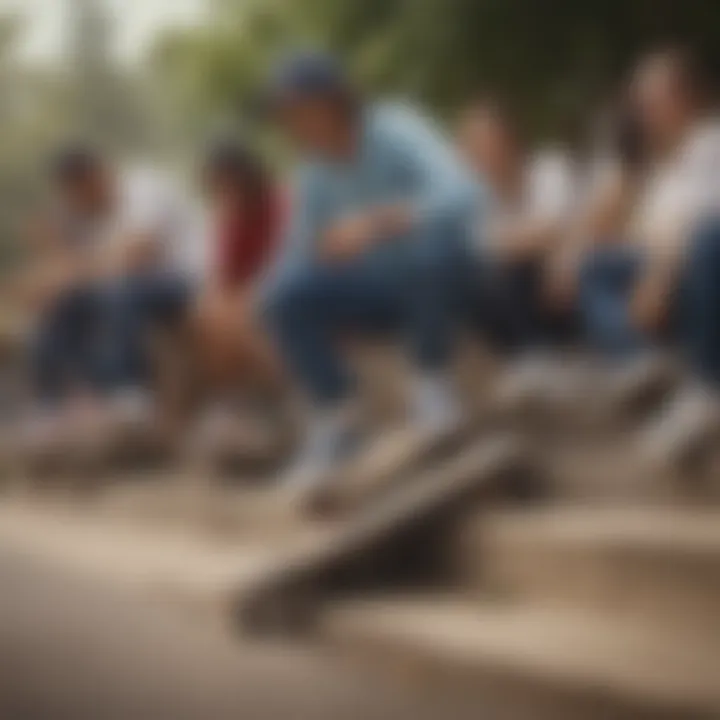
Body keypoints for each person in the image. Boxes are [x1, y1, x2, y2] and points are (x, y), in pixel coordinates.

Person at [259, 51, 477, 498]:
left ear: (334, 100)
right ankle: (336, 417)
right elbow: (298, 248)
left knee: (430, 250)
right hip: (382, 293)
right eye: (286, 114)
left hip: (447, 278)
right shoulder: (314, 168)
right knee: (284, 294)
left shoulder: (395, 128)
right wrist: (265, 298)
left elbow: (464, 194)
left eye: (301, 109)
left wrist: (380, 222)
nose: (294, 123)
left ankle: (433, 390)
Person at [577, 48, 720, 465]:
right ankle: (647, 365)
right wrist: (625, 165)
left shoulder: (713, 144)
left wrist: (657, 275)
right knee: (595, 266)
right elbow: (608, 232)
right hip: (675, 273)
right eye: (638, 102)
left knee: (708, 240)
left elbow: (701, 223)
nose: (642, 111)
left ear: (684, 99)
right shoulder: (660, 164)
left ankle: (705, 388)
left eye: (650, 100)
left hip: (701, 265)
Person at [42, 146, 206, 450]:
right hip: (126, 284)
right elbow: (69, 272)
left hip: (182, 279)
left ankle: (128, 394)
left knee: (120, 293)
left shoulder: (145, 189)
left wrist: (78, 269)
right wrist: (64, 260)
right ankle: (62, 398)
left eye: (80, 190)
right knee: (65, 305)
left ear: (98, 177)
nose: (77, 201)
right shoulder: (87, 215)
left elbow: (137, 252)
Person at [188, 141, 286, 456]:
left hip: (279, 285)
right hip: (245, 295)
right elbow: (222, 275)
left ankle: (257, 405)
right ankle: (232, 403)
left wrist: (243, 294)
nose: (225, 190)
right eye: (217, 184)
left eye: (229, 180)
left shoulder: (281, 202)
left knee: (236, 313)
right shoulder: (229, 217)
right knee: (211, 314)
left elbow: (289, 258)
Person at [456, 99, 576, 350]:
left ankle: (539, 357)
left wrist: (511, 243)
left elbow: (555, 229)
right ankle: (532, 357)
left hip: (562, 282)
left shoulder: (548, 168)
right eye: (474, 145)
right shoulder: (473, 195)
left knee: (513, 269)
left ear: (510, 139)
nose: (481, 153)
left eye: (487, 142)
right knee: (483, 280)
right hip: (516, 289)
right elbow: (474, 249)